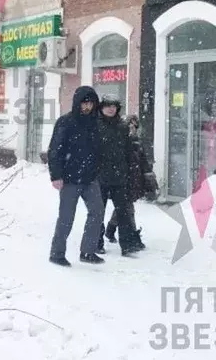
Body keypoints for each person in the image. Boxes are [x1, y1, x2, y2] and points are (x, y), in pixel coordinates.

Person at [47, 86, 106, 266]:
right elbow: (55, 150)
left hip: (90, 178)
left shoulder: (96, 123)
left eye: (91, 103)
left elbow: (99, 149)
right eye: (84, 103)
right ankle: (57, 254)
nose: (87, 107)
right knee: (66, 217)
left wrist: (98, 168)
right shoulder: (66, 122)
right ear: (77, 103)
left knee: (97, 211)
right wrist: (56, 175)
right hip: (69, 178)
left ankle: (88, 251)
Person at [95, 95, 140, 256]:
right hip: (99, 177)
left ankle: (127, 245)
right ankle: (96, 243)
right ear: (101, 107)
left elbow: (128, 151)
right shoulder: (95, 125)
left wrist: (129, 172)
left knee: (123, 212)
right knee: (97, 212)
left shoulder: (122, 127)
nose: (111, 108)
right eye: (107, 105)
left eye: (114, 106)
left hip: (119, 177)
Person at [105, 115, 156, 247]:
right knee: (128, 209)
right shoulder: (120, 141)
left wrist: (148, 176)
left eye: (134, 126)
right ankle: (133, 236)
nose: (132, 129)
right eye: (129, 126)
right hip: (122, 180)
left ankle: (110, 229)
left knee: (123, 207)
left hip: (134, 180)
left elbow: (143, 161)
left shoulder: (137, 142)